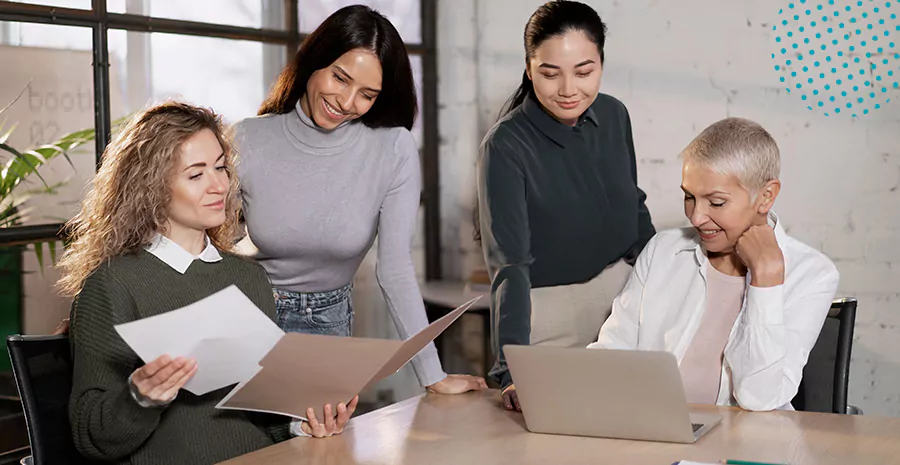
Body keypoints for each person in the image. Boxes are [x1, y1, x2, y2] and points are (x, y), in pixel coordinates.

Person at [57, 102, 354, 465]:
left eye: (221, 168)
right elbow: (93, 438)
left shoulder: (248, 277)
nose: (219, 186)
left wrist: (302, 425)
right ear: (152, 187)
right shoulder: (111, 286)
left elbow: (263, 413)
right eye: (196, 175)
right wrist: (140, 398)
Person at [233, 5, 485, 395]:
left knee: (319, 451)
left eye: (367, 94)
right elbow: (210, 251)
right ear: (315, 60)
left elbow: (396, 270)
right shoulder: (246, 138)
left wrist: (432, 376)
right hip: (247, 319)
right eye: (339, 77)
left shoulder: (393, 147)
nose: (347, 102)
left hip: (328, 327)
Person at [589, 117, 840, 412]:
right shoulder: (664, 250)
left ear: (766, 196)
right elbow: (612, 353)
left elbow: (759, 398)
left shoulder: (812, 275)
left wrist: (766, 279)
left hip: (746, 444)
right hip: (654, 432)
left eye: (716, 202)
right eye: (689, 197)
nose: (696, 218)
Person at [475, 0, 655, 411]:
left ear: (602, 65)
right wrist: (511, 369)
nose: (569, 89)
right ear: (528, 68)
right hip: (551, 318)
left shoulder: (613, 115)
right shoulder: (505, 146)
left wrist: (666, 287)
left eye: (584, 71)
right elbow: (510, 267)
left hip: (625, 304)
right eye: (550, 73)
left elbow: (634, 209)